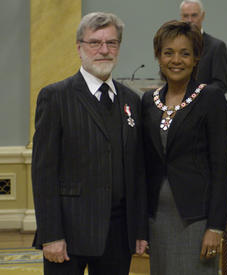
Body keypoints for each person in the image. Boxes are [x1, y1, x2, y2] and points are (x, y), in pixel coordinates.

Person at [31, 12, 148, 275]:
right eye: (95, 42)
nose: (104, 50)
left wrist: (139, 229)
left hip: (118, 234)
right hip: (68, 234)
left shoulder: (132, 100)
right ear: (79, 47)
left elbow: (137, 171)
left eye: (112, 43)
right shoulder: (56, 97)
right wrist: (51, 235)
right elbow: (43, 172)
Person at [142, 20, 227, 275]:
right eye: (168, 52)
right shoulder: (149, 100)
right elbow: (145, 164)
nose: (176, 60)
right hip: (157, 218)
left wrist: (215, 227)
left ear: (196, 58)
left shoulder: (211, 99)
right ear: (158, 57)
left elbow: (220, 169)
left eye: (185, 53)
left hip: (196, 219)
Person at [180, 0, 227, 93]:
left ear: (202, 16)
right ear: (181, 18)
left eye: (194, 15)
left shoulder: (216, 47)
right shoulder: (176, 47)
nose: (189, 20)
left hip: (204, 104)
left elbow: (220, 85)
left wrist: (195, 95)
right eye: (185, 16)